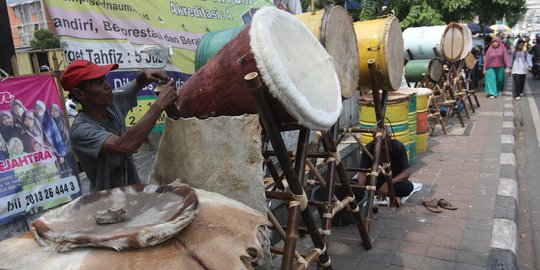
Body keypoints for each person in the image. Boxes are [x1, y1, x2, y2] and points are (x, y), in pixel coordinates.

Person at [60, 59, 178, 192]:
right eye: (98, 82)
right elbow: (124, 145)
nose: (107, 85)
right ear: (80, 93)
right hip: (106, 204)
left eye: (104, 79)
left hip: (133, 195)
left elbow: (138, 83)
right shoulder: (81, 130)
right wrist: (158, 105)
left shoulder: (113, 102)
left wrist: (146, 74)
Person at [357, 134, 414, 202]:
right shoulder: (369, 148)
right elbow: (362, 172)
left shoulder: (398, 146)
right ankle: (386, 194)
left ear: (389, 138)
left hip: (394, 181)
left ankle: (384, 193)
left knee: (407, 187)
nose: (378, 141)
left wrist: (388, 184)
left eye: (382, 138)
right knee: (354, 185)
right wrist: (360, 189)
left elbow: (406, 173)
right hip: (377, 180)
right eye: (376, 138)